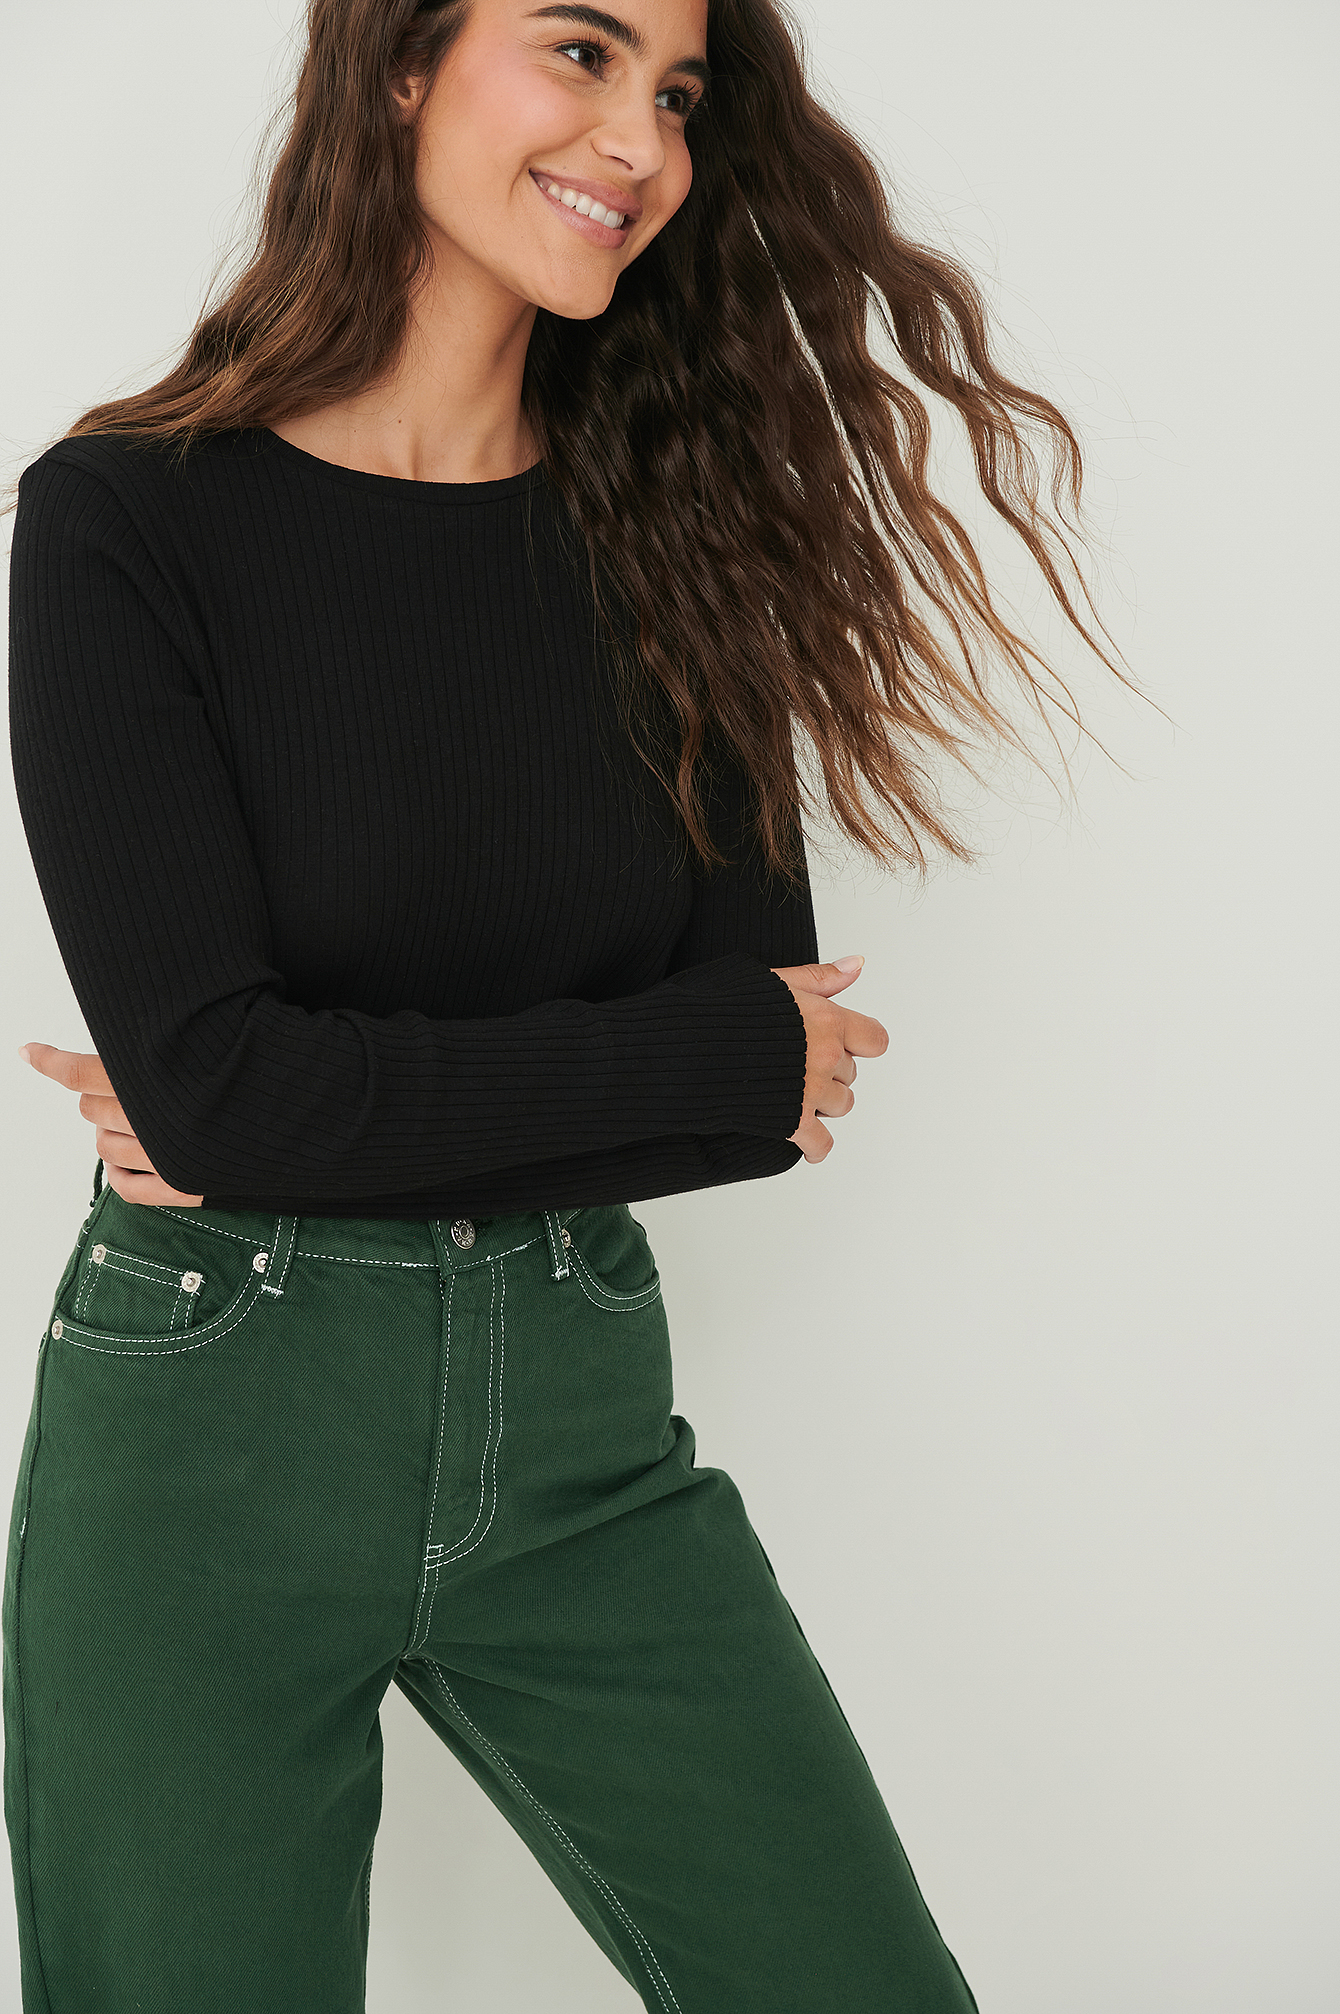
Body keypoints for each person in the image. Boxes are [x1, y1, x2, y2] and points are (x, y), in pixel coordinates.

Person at [3, 0, 1122, 2007]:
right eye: (584, 52)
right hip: (210, 1444)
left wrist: (301, 1094)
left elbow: (760, 1086)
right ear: (401, 65)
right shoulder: (127, 520)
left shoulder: (673, 533)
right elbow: (687, 1054)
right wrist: (672, 1055)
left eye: (677, 95)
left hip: (580, 1424)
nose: (642, 142)